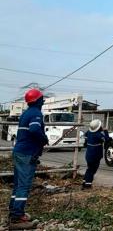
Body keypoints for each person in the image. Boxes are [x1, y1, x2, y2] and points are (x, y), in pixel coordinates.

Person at [9, 89, 49, 228]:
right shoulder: (36, 113)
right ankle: (17, 217)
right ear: (38, 101)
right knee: (24, 185)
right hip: (26, 154)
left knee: (18, 184)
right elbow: (34, 130)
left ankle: (13, 211)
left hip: (19, 152)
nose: (43, 101)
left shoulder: (26, 113)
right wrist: (44, 139)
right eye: (42, 99)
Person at [82, 119, 109, 190]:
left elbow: (85, 136)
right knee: (92, 170)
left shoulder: (89, 132)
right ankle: (88, 185)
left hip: (88, 155)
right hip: (95, 155)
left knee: (89, 169)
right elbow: (107, 140)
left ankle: (84, 182)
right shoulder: (98, 135)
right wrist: (106, 131)